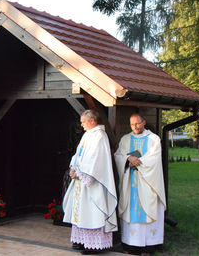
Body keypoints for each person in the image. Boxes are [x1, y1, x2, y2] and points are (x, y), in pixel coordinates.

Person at [63, 109, 118, 255]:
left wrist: (80, 173)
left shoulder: (100, 136)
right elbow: (78, 154)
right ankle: (82, 241)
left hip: (93, 183)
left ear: (92, 121)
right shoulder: (87, 135)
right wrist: (73, 168)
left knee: (92, 212)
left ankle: (93, 245)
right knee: (81, 212)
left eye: (83, 122)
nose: (81, 125)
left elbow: (95, 160)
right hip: (81, 181)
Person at [114, 113, 166, 256]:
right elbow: (118, 155)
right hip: (130, 184)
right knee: (131, 213)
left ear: (143, 122)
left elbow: (154, 158)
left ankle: (147, 248)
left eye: (137, 123)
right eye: (132, 124)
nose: (135, 127)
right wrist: (128, 158)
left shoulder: (153, 139)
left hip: (148, 183)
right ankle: (130, 246)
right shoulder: (125, 139)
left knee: (147, 211)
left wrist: (139, 162)